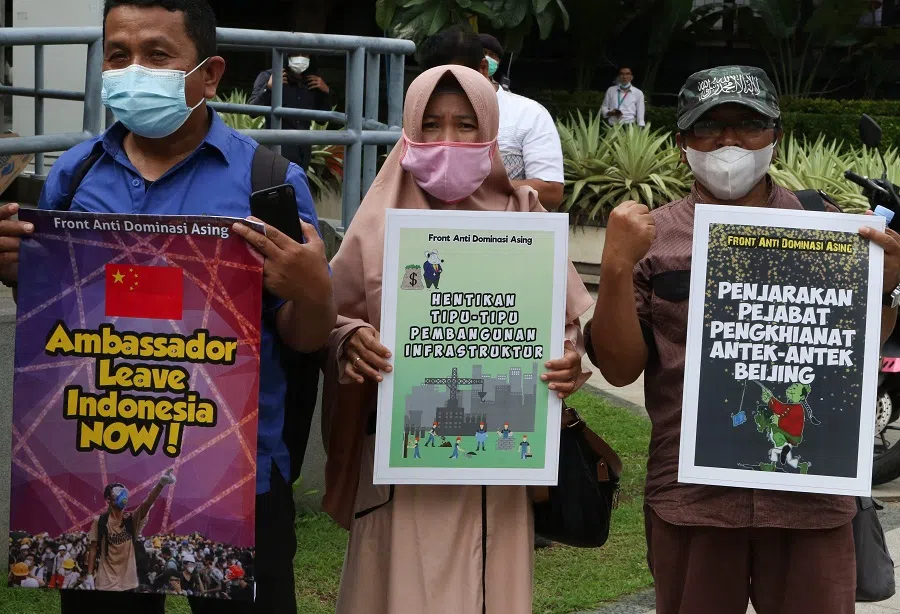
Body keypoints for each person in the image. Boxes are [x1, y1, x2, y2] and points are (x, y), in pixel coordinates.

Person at [0, 0, 334, 613]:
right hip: (102, 467)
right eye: (119, 55)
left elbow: (304, 337)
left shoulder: (268, 182)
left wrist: (315, 292)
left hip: (238, 476)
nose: (133, 71)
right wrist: (21, 274)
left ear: (209, 74)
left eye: (157, 55)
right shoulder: (72, 180)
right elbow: (58, 322)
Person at [587, 65, 900, 614]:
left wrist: (886, 285)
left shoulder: (827, 227)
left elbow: (862, 345)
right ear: (682, 141)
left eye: (748, 125)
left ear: (775, 136)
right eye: (710, 127)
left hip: (809, 498)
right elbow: (618, 369)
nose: (729, 142)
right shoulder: (653, 238)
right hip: (693, 499)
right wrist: (615, 269)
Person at [321, 64, 594, 613]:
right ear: (409, 133)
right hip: (402, 469)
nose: (448, 141)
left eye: (466, 125)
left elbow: (565, 327)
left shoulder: (525, 215)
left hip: (498, 471)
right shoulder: (377, 221)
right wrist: (350, 339)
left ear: (492, 127)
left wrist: (570, 360)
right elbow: (329, 318)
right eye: (432, 125)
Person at [420, 28, 566, 210]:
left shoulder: (529, 114)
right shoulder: (420, 115)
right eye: (436, 82)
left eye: (456, 79)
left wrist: (469, 187)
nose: (448, 89)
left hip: (501, 236)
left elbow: (551, 192)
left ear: (483, 68)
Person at [85, 471, 175, 593]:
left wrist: (160, 484)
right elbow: (93, 547)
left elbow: (147, 503)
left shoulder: (131, 519)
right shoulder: (99, 521)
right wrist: (89, 575)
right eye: (117, 491)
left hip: (128, 583)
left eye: (125, 492)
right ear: (108, 499)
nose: (123, 494)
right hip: (105, 582)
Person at [249, 52, 331, 171]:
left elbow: (322, 120)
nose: (300, 58)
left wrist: (326, 92)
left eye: (305, 55)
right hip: (276, 151)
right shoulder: (270, 75)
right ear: (287, 55)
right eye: (295, 54)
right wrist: (269, 88)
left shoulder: (312, 81)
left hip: (302, 153)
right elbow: (252, 111)